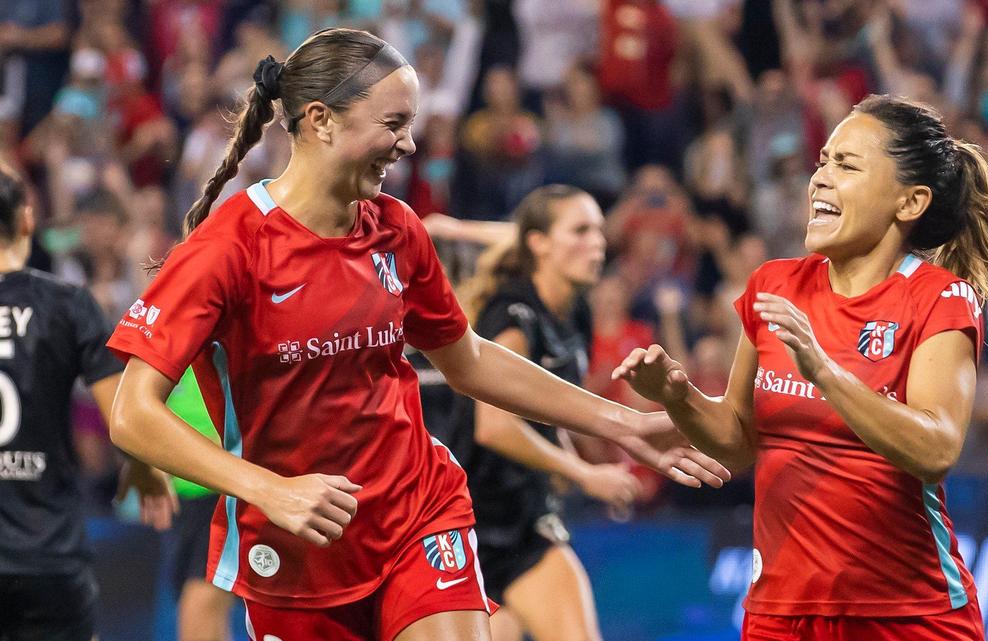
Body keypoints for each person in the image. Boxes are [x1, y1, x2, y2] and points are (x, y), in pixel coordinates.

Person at [106, 28, 728, 641]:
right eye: (394, 123)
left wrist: (626, 425)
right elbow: (132, 414)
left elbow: (470, 361)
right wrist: (268, 489)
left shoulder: (397, 229)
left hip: (417, 513)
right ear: (321, 121)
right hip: (295, 544)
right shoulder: (228, 248)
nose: (408, 143)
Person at [613, 94, 988, 641]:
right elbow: (739, 442)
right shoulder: (774, 284)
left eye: (847, 165)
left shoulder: (938, 298)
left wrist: (826, 374)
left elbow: (936, 450)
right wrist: (678, 396)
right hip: (781, 613)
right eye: (822, 162)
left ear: (910, 202)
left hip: (907, 615)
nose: (820, 178)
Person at [444, 185, 640, 641]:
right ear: (538, 244)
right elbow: (494, 427)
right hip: (471, 521)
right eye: (581, 231)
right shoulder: (511, 317)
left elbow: (548, 410)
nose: (598, 243)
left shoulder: (576, 314)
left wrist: (567, 457)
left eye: (599, 231)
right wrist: (582, 473)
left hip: (526, 522)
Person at [0, 163, 175, 641]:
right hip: (47, 553)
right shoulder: (68, 304)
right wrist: (143, 469)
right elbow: (122, 416)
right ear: (27, 221)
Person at [164, 367, 237, 641]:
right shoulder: (164, 354)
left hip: (222, 496)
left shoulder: (224, 349)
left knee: (199, 613)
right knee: (207, 622)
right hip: (182, 502)